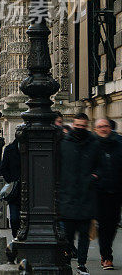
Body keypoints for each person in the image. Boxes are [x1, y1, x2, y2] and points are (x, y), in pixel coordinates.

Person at [59, 113, 99, 275]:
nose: (80, 128)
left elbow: (100, 165)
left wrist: (95, 176)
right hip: (68, 197)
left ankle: (81, 264)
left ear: (87, 126)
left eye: (83, 126)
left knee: (84, 235)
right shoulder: (64, 144)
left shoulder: (94, 144)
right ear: (74, 124)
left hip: (86, 197)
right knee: (68, 236)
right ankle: (68, 261)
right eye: (78, 125)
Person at [94, 117, 122, 270]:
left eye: (105, 126)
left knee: (113, 224)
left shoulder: (119, 143)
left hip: (116, 191)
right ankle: (106, 256)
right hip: (99, 192)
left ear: (110, 128)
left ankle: (106, 251)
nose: (103, 129)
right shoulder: (92, 146)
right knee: (103, 225)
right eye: (100, 127)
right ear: (96, 129)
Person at [0, 137, 21, 238]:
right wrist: (11, 181)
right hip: (15, 190)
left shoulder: (32, 149)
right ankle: (15, 236)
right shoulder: (10, 149)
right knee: (14, 218)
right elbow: (3, 168)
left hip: (29, 189)